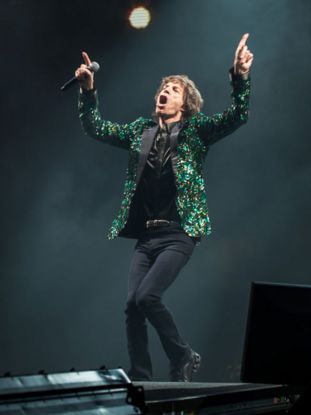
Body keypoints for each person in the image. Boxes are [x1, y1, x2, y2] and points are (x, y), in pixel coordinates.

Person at [74, 34, 254, 382]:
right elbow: (95, 128)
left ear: (185, 103)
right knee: (132, 306)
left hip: (178, 233)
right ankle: (141, 375)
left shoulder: (196, 131)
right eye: (164, 87)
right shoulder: (139, 130)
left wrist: (240, 78)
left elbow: (238, 116)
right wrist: (88, 92)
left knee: (147, 297)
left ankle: (183, 355)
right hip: (147, 236)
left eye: (174, 89)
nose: (166, 91)